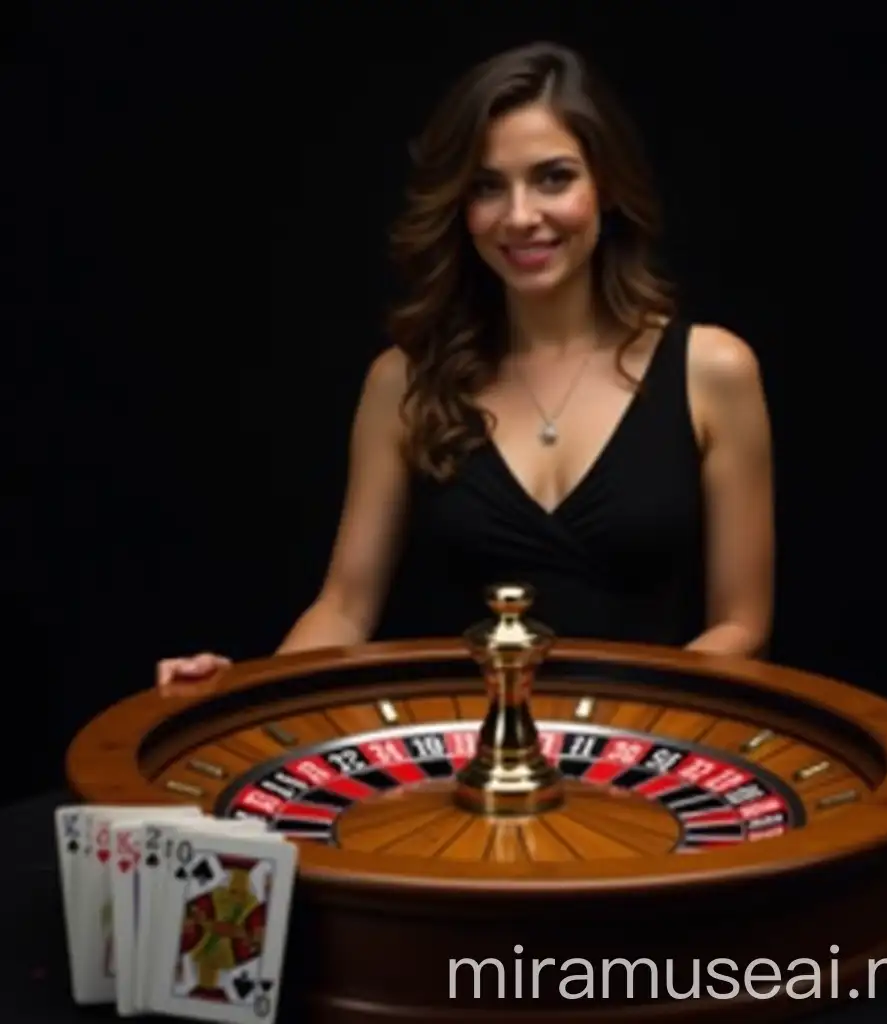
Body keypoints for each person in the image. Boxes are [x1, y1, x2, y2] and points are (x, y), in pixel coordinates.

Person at [157, 41, 774, 690]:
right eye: (486, 187)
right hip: (457, 761)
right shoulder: (402, 382)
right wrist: (238, 696)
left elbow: (742, 626)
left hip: (641, 756)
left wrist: (601, 731)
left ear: (608, 185)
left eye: (553, 177)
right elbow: (344, 607)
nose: (519, 217)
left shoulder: (714, 370)